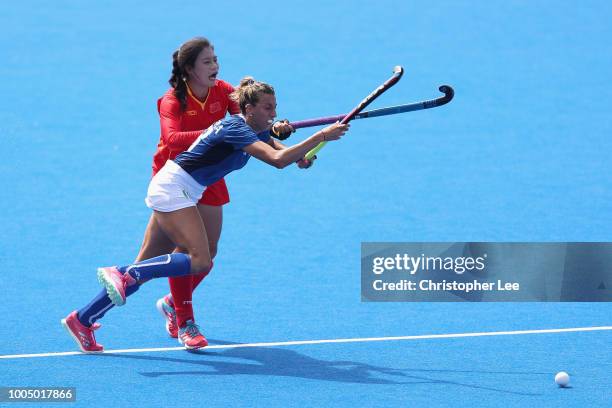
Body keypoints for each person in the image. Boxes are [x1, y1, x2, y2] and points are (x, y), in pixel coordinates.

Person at [62, 76, 349, 352]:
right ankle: (126, 274)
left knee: (157, 264)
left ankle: (83, 319)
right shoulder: (236, 129)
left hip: (182, 188)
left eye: (274, 107)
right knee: (198, 260)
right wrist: (321, 135)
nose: (274, 113)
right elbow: (276, 160)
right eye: (267, 107)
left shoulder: (251, 128)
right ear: (248, 109)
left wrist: (301, 153)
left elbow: (278, 146)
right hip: (174, 188)